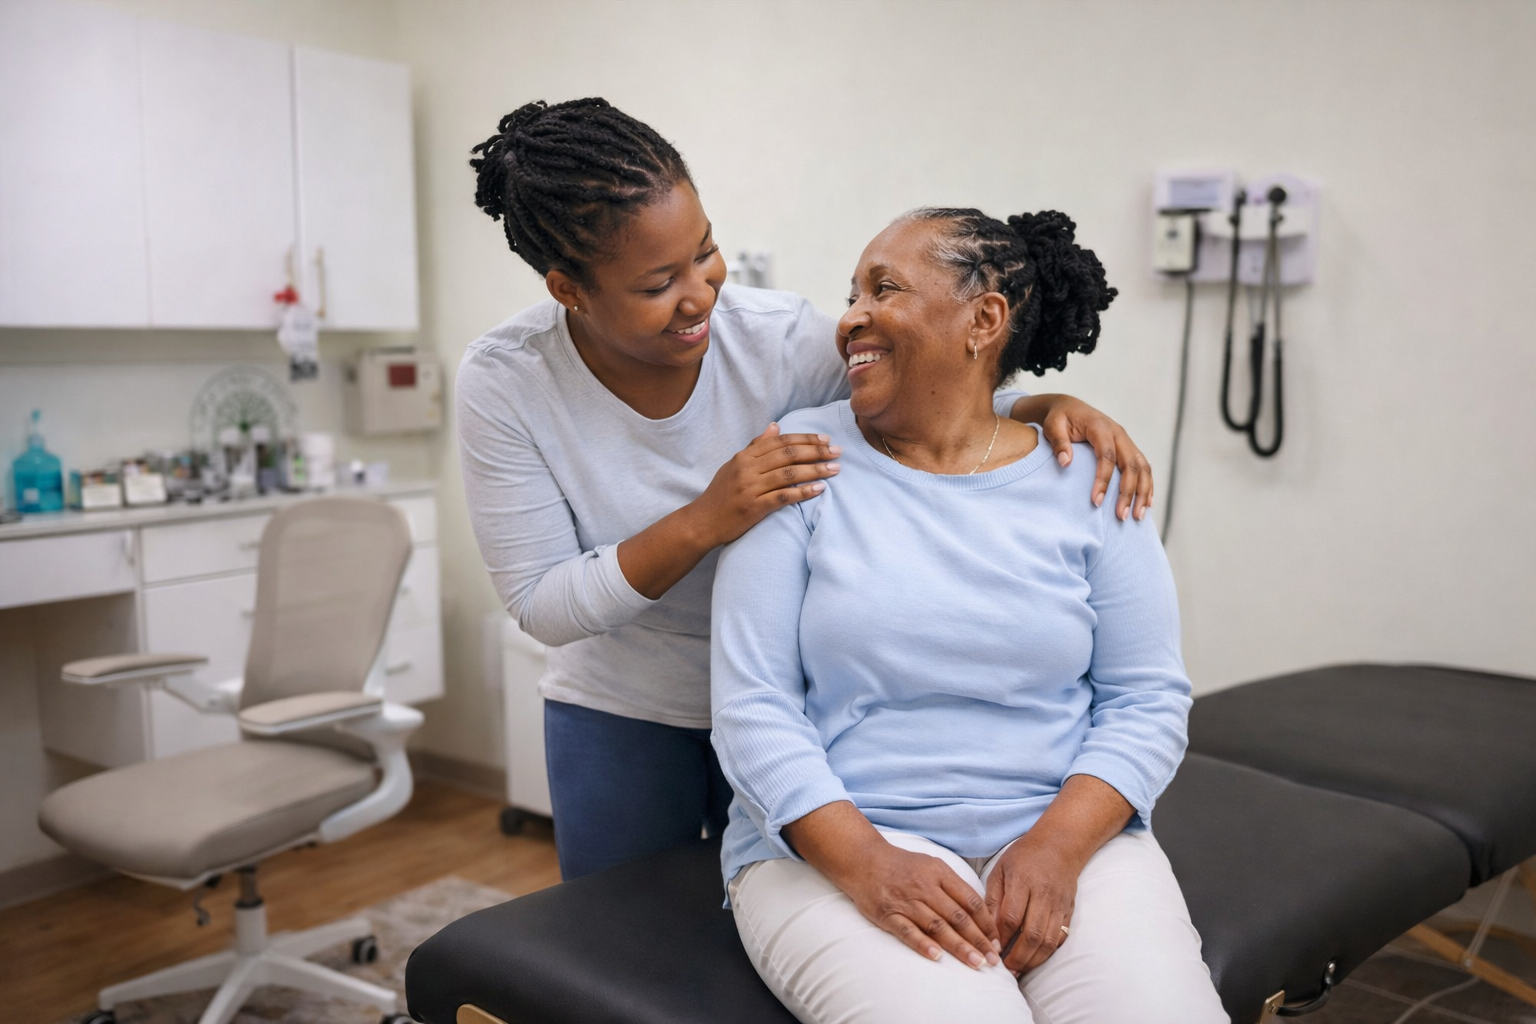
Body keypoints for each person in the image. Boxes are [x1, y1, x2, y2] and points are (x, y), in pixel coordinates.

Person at [458, 97, 1157, 881]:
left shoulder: (780, 340)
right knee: (624, 958)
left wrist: (1038, 406)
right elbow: (543, 604)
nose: (700, 294)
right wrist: (706, 519)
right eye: (658, 283)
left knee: (765, 962)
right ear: (570, 290)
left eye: (706, 252)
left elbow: (924, 396)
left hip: (793, 709)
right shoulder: (508, 382)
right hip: (623, 708)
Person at [710, 207, 1226, 1022]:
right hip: (842, 841)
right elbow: (752, 709)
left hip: (1066, 834)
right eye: (851, 293)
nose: (849, 318)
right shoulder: (801, 460)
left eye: (884, 289)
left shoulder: (1089, 477)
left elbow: (1147, 698)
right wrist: (869, 864)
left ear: (984, 319)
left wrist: (1056, 848)